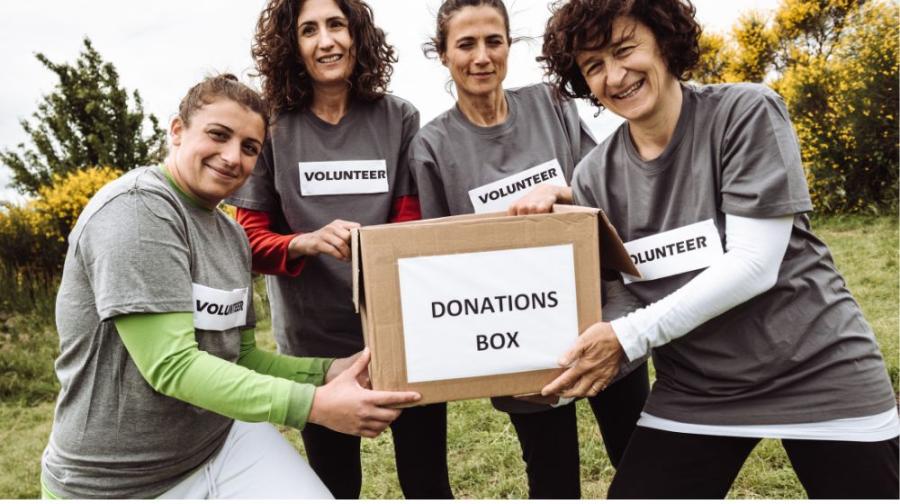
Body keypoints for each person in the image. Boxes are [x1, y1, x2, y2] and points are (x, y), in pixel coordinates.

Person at [535, 0, 900, 498]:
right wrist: (550, 358)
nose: (615, 76)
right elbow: (624, 295)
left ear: (664, 41)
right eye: (594, 66)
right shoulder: (593, 176)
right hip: (698, 391)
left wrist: (626, 337)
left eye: (625, 50)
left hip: (818, 371)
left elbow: (754, 265)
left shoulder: (745, 112)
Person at [39, 74, 421, 500]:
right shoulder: (138, 209)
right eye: (218, 135)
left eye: (249, 147)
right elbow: (173, 366)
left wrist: (330, 371)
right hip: (117, 481)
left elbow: (240, 356)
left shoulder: (231, 235)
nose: (231, 157)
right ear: (178, 130)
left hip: (217, 441)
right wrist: (315, 406)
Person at [408, 0, 650, 498]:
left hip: (602, 317)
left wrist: (562, 194)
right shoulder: (431, 146)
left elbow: (607, 195)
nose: (482, 57)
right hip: (518, 336)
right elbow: (437, 262)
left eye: (494, 41)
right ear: (443, 53)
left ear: (509, 46)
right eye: (466, 44)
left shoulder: (552, 103)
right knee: (553, 480)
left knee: (641, 465)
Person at [226, 0, 453, 499]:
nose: (326, 41)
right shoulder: (271, 127)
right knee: (334, 487)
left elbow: (410, 218)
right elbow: (249, 242)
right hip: (315, 347)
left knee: (428, 480)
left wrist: (381, 250)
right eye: (309, 30)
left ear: (357, 35)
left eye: (336, 25)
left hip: (400, 334)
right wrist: (305, 241)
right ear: (292, 46)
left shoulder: (399, 117)